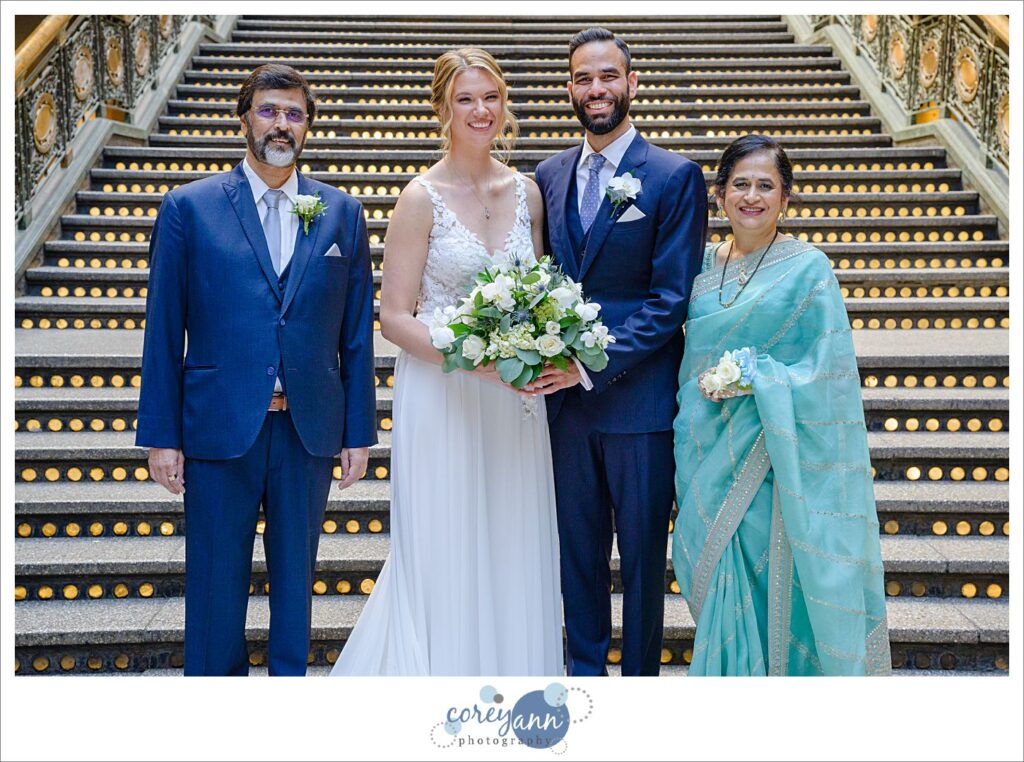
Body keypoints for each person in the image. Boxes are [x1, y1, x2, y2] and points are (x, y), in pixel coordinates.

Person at [136, 64, 377, 676]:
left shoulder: (341, 213)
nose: (281, 125)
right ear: (244, 117)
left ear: (307, 128)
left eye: (294, 114)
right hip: (218, 427)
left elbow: (354, 333)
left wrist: (358, 432)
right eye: (269, 111)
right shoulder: (188, 208)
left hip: (308, 430)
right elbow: (163, 329)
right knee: (216, 585)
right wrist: (161, 435)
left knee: (296, 586)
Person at [330, 48, 563, 676]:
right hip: (443, 391)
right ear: (442, 109)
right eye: (465, 99)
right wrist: (472, 359)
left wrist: (536, 346)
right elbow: (395, 316)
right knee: (446, 544)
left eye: (490, 96)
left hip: (515, 398)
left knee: (513, 541)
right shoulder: (419, 198)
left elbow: (538, 294)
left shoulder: (530, 193)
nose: (480, 110)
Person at [670, 134, 891, 675]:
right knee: (716, 567)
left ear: (786, 197)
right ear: (719, 194)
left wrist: (756, 378)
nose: (752, 196)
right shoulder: (695, 265)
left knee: (772, 580)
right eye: (740, 184)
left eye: (766, 186)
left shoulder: (809, 269)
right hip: (703, 449)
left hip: (773, 457)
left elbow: (830, 373)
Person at [531, 28, 707, 676]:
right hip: (564, 411)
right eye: (583, 77)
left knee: (640, 563)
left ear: (632, 84)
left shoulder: (672, 176)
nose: (596, 89)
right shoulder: (548, 175)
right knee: (575, 556)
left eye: (608, 76)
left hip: (639, 405)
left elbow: (671, 299)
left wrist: (585, 363)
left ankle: (637, 684)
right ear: (570, 88)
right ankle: (582, 684)